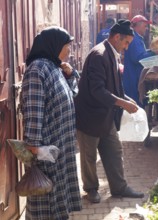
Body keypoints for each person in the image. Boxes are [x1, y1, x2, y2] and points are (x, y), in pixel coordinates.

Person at [74, 19, 144, 204]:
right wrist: (122, 103)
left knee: (114, 151)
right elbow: (98, 90)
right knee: (89, 157)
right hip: (90, 115)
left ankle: (119, 187)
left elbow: (114, 85)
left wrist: (126, 99)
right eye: (126, 43)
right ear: (116, 37)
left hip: (105, 115)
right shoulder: (99, 54)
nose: (127, 48)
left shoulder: (112, 53)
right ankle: (91, 189)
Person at [21, 26, 82, 219]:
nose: (69, 51)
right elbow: (33, 109)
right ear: (54, 45)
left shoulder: (54, 67)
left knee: (58, 194)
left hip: (59, 145)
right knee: (45, 197)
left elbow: (70, 95)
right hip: (45, 148)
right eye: (67, 46)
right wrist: (35, 147)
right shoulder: (37, 70)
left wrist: (71, 75)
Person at [122, 15, 158, 106]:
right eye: (145, 26)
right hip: (133, 76)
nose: (146, 28)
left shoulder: (137, 37)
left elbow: (141, 53)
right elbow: (138, 58)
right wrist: (154, 53)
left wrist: (151, 51)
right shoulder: (134, 38)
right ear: (138, 26)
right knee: (134, 104)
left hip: (135, 75)